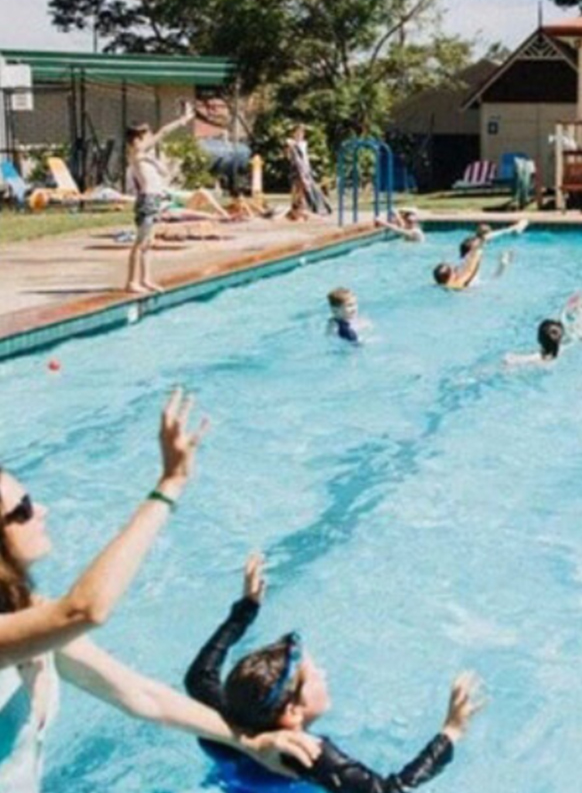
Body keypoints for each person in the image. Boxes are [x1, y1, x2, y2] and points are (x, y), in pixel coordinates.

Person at [0, 390, 317, 791]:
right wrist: (170, 484)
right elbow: (84, 610)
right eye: (23, 509)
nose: (41, 510)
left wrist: (250, 742)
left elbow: (140, 695)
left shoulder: (31, 618)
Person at [185, 554, 483, 792]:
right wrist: (451, 732)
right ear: (292, 711)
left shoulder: (225, 716)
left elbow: (200, 675)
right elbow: (392, 790)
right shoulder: (309, 755)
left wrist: (245, 610)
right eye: (314, 676)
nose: (323, 674)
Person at [124, 103, 196, 294]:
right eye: (147, 134)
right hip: (147, 200)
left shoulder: (144, 156)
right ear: (137, 138)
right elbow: (163, 132)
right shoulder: (136, 153)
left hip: (154, 200)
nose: (151, 137)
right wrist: (183, 120)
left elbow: (163, 172)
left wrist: (154, 161)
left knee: (148, 243)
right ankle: (131, 282)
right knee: (140, 242)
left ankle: (145, 279)